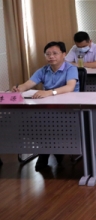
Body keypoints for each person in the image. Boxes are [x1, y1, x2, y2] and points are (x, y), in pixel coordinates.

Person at [12, 41, 79, 170]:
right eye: (48, 54)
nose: (51, 56)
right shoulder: (43, 70)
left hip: (68, 109)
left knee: (48, 124)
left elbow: (70, 87)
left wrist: (49, 92)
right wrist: (19, 89)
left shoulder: (71, 69)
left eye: (55, 53)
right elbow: (27, 84)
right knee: (30, 123)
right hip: (48, 109)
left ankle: (46, 152)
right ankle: (52, 149)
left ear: (64, 54)